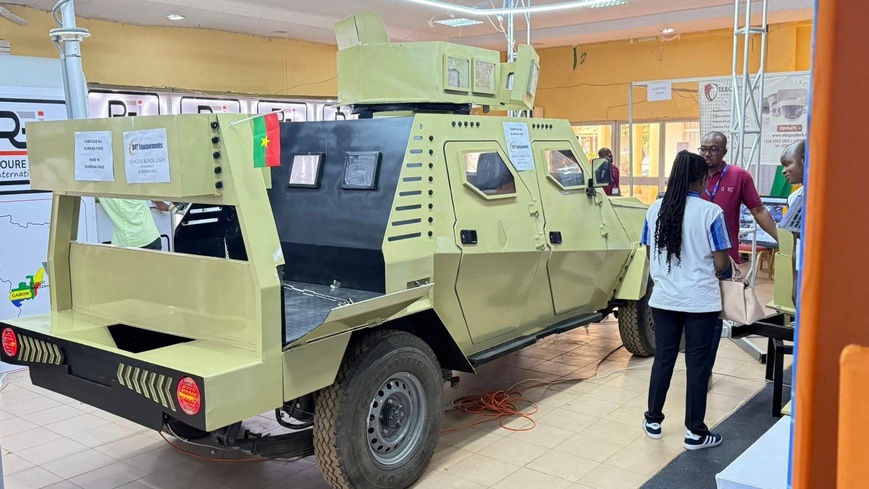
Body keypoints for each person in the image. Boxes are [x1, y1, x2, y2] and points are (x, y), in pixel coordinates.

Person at [641, 150, 732, 450]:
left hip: (664, 299)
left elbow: (649, 251)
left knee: (663, 359)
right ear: (702, 179)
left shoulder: (655, 209)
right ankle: (695, 432)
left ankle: (653, 420)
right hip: (700, 302)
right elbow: (721, 262)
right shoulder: (711, 213)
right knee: (698, 364)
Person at [699, 131, 778, 262]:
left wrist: (781, 240)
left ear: (724, 152)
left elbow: (759, 211)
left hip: (727, 256)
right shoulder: (691, 175)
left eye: (713, 149)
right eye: (703, 149)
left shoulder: (739, 176)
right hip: (694, 255)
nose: (707, 154)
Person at [780, 139, 806, 303]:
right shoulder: (793, 197)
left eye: (787, 164)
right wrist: (796, 280)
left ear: (804, 159)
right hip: (802, 264)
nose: (784, 171)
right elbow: (796, 244)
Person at [99, 198, 164, 250]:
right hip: (149, 238)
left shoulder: (104, 192)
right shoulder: (136, 188)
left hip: (124, 243)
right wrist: (168, 207)